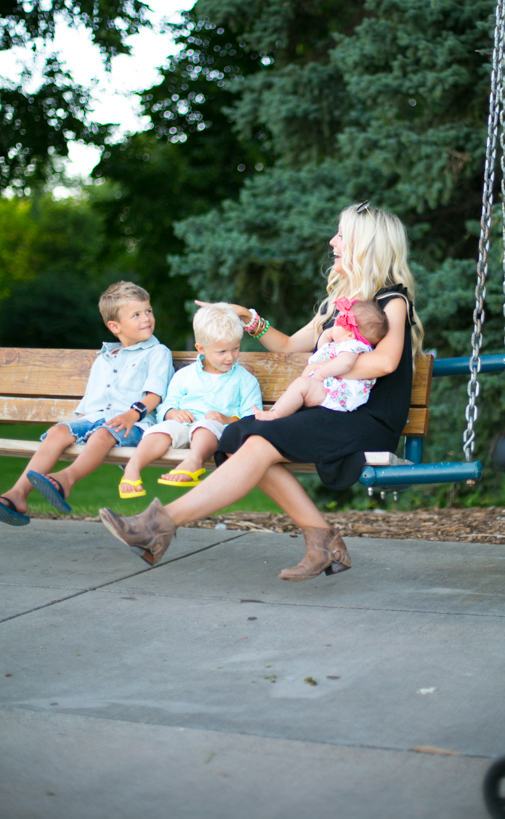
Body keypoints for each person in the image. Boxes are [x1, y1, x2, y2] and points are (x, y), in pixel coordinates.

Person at [99, 202, 424, 582]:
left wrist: (325, 366)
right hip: (331, 410)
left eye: (341, 235)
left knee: (252, 437)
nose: (333, 242)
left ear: (365, 246)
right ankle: (322, 541)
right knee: (241, 436)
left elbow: (385, 363)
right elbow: (288, 346)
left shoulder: (391, 301)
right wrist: (246, 317)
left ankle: (156, 527)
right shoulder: (339, 307)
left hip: (366, 418)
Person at [0, 282, 173, 524]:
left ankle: (66, 479)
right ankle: (18, 494)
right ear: (115, 326)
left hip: (134, 423)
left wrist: (131, 415)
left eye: (148, 311)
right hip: (96, 419)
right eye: (136, 315)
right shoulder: (104, 359)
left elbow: (155, 394)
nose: (146, 318)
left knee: (101, 435)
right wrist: (75, 430)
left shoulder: (157, 352)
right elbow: (90, 403)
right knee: (58, 432)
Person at [119, 303, 262, 499]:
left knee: (205, 426)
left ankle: (194, 461)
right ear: (201, 348)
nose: (230, 357)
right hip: (182, 426)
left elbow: (252, 419)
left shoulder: (245, 380)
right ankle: (133, 467)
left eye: (235, 349)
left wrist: (226, 419)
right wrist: (173, 413)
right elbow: (165, 407)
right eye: (222, 352)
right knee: (162, 430)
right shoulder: (184, 376)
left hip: (216, 432)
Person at [251, 298, 388, 421]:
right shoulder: (342, 345)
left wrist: (322, 373)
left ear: (350, 335)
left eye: (339, 321)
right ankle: (273, 412)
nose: (334, 322)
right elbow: (322, 354)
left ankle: (275, 416)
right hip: (328, 391)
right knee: (299, 385)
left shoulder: (352, 347)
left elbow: (345, 363)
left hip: (336, 397)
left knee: (301, 385)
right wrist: (325, 337)